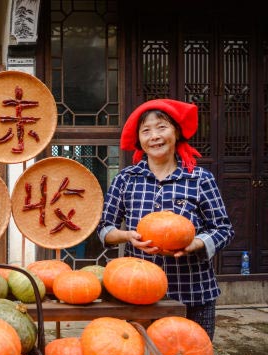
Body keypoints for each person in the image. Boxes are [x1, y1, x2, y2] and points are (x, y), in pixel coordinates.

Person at [97, 99, 234, 340]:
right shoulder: (126, 179)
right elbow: (104, 228)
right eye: (146, 130)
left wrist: (196, 244)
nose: (154, 136)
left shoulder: (199, 178)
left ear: (176, 132)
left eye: (162, 127)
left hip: (193, 293)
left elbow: (223, 229)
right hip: (140, 295)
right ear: (139, 139)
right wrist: (125, 236)